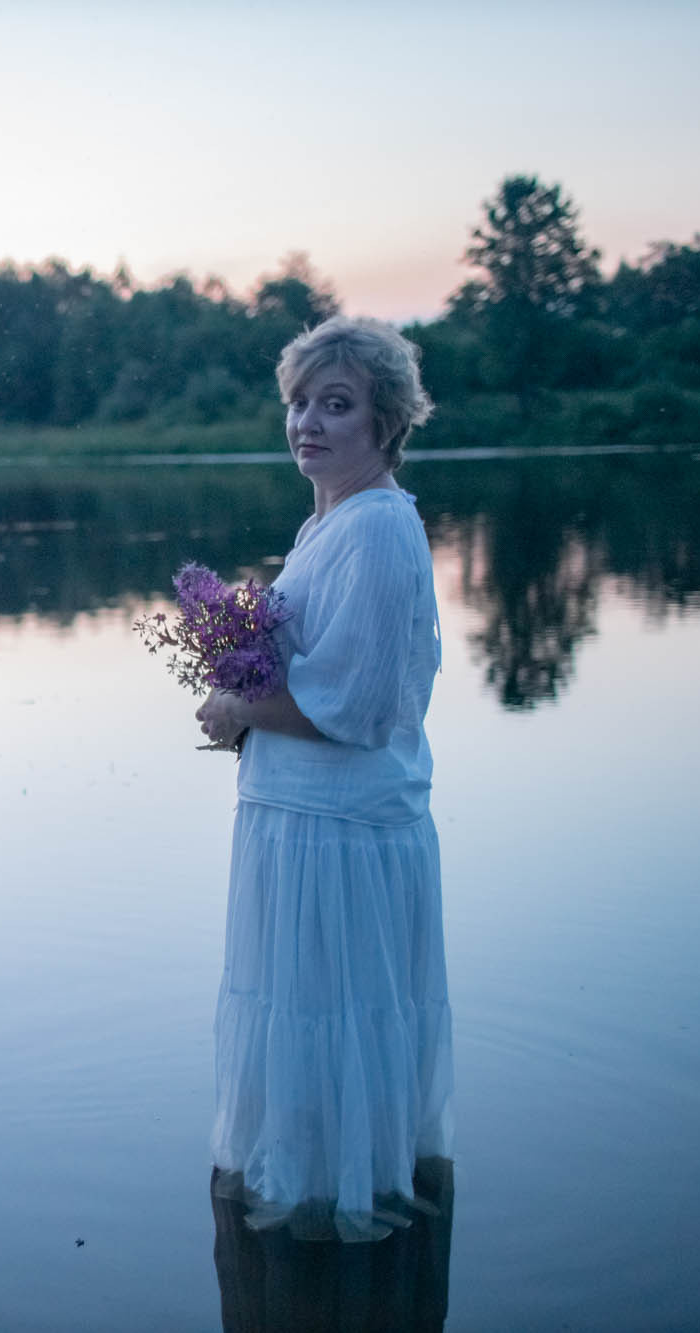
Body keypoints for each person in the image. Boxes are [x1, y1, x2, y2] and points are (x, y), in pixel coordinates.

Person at [192, 316, 452, 1243]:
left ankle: (343, 1205)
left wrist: (237, 708)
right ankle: (316, 1182)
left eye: (335, 404)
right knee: (305, 1020)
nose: (307, 421)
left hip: (341, 836)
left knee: (335, 1020)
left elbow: (361, 705)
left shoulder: (380, 532)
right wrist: (244, 683)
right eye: (299, 402)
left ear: (386, 422)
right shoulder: (329, 523)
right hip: (300, 824)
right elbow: (321, 677)